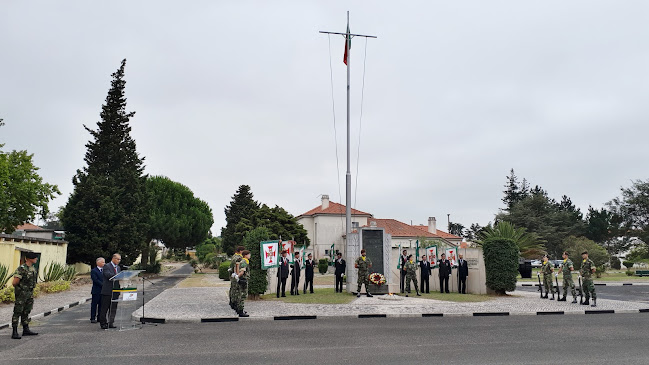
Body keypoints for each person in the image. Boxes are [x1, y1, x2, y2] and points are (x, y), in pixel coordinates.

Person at [10, 252, 39, 339]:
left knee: (26, 311)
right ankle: (14, 331)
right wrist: (20, 289)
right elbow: (15, 282)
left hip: (29, 293)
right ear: (30, 258)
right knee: (18, 311)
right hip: (21, 294)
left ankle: (25, 329)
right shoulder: (21, 269)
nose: (36, 259)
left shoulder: (33, 268)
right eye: (35, 258)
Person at [99, 253, 121, 330]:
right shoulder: (106, 266)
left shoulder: (118, 267)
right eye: (118, 259)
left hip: (115, 291)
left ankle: (111, 322)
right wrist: (118, 276)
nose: (119, 261)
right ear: (113, 258)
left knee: (113, 308)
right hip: (107, 291)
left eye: (119, 259)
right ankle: (103, 323)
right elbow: (108, 275)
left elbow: (118, 278)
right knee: (104, 308)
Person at [90, 257, 105, 323]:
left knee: (101, 305)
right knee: (94, 304)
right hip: (96, 290)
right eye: (102, 262)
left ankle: (99, 317)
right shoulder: (94, 271)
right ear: (98, 263)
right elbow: (95, 280)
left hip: (103, 290)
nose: (104, 263)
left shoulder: (104, 270)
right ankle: (93, 317)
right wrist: (103, 285)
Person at [236, 250, 251, 317]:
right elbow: (242, 272)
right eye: (249, 254)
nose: (249, 255)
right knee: (243, 295)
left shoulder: (244, 261)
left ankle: (240, 309)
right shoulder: (244, 262)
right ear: (245, 255)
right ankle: (241, 311)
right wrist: (238, 276)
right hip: (243, 280)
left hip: (243, 279)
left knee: (241, 295)